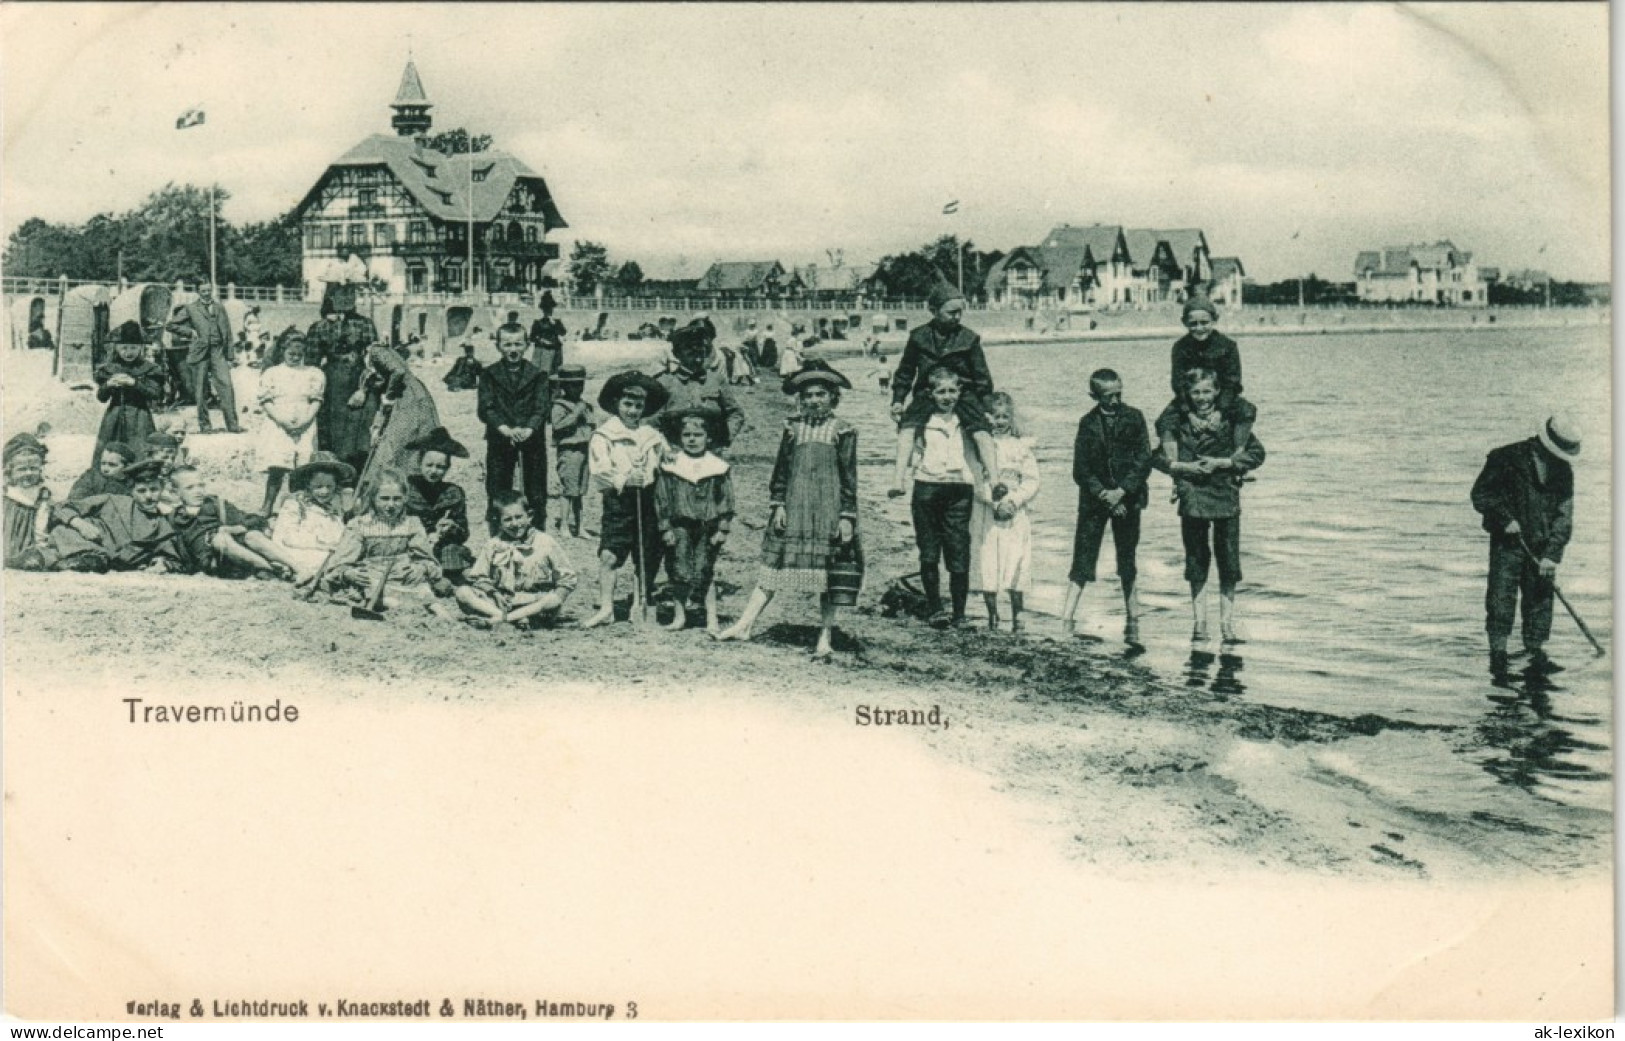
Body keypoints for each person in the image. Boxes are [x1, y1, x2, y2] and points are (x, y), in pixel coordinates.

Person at [715, 361, 859, 659]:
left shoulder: (844, 431)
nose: (814, 400)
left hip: (828, 509)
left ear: (833, 397)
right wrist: (778, 504)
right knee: (773, 567)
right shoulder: (792, 428)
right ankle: (745, 624)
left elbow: (849, 478)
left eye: (821, 394)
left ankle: (824, 636)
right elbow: (781, 471)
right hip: (793, 506)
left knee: (827, 575)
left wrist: (847, 516)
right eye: (807, 395)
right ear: (799, 399)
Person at [1153, 367, 1266, 645]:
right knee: (1196, 560)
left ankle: (1227, 624)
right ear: (1187, 395)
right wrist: (1181, 466)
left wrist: (1224, 463)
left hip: (1225, 492)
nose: (1201, 398)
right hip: (1192, 493)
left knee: (1228, 560)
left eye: (1206, 391)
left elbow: (1257, 454)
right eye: (1195, 392)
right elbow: (1156, 457)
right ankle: (1199, 622)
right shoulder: (1178, 423)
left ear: (1216, 392)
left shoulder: (1230, 421)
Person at [1470, 415, 1581, 680]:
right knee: (1501, 600)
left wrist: (1552, 555)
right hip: (1507, 545)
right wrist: (1504, 519)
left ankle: (1536, 659)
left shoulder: (1563, 471)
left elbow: (1564, 517)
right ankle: (1498, 661)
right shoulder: (1505, 458)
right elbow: (1481, 494)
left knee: (1540, 603)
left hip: (1542, 550)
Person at [1060, 369, 1154, 644]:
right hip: (1094, 501)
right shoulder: (1086, 423)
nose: (1115, 400)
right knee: (1083, 556)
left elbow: (1143, 459)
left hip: (1129, 499)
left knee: (1128, 556)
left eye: (1119, 394)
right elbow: (1081, 468)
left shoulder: (1135, 417)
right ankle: (1066, 617)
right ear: (1094, 396)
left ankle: (1133, 617)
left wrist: (1122, 492)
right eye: (1108, 396)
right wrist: (1104, 495)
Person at [299, 466, 455, 618]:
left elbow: (427, 559)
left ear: (405, 498)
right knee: (371, 589)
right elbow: (340, 562)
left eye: (397, 499)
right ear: (373, 498)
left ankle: (440, 614)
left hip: (404, 575)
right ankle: (395, 606)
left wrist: (420, 568)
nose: (391, 505)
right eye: (384, 498)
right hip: (372, 575)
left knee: (424, 590)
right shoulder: (360, 525)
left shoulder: (411, 524)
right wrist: (349, 573)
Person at [889, 284, 997, 496]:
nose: (957, 317)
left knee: (982, 431)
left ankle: (995, 481)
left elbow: (982, 376)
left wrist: (986, 408)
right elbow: (905, 371)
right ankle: (898, 480)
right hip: (927, 392)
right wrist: (898, 400)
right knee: (907, 427)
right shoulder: (918, 337)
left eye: (960, 312)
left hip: (963, 392)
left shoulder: (969, 338)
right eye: (951, 312)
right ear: (934, 310)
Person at [581, 372, 669, 628]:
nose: (633, 411)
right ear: (616, 404)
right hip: (619, 501)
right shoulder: (605, 434)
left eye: (638, 406)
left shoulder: (651, 434)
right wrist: (624, 478)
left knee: (647, 554)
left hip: (650, 499)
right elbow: (599, 470)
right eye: (627, 404)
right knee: (610, 554)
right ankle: (606, 606)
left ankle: (640, 602)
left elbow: (666, 458)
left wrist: (662, 463)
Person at [897, 365, 979, 628]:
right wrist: (898, 478)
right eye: (940, 391)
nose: (947, 397)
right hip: (927, 487)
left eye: (952, 391)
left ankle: (959, 613)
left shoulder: (966, 419)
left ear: (960, 391)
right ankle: (935, 609)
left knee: (959, 550)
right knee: (929, 550)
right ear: (930, 393)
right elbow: (905, 443)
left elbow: (988, 439)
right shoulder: (921, 419)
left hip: (959, 488)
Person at [655, 408, 735, 633]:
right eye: (687, 435)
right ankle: (679, 615)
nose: (692, 440)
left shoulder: (717, 466)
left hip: (707, 526)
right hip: (680, 525)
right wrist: (665, 527)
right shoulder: (672, 465)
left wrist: (723, 527)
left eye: (698, 435)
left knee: (705, 568)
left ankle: (711, 617)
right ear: (679, 438)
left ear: (708, 438)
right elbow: (662, 498)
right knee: (679, 569)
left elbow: (726, 499)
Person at [455, 490, 577, 630]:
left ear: (529, 516)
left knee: (553, 600)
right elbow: (479, 576)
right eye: (507, 519)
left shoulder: (545, 542)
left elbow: (567, 578)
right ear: (499, 523)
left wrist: (556, 595)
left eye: (519, 517)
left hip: (534, 603)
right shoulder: (493, 544)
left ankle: (502, 620)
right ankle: (504, 617)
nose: (514, 523)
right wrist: (493, 593)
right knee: (463, 592)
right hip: (501, 602)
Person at [970, 392, 1040, 634]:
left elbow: (1032, 480)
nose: (1000, 422)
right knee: (988, 560)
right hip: (988, 513)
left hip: (1015, 513)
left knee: (1017, 559)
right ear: (986, 417)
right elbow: (976, 479)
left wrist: (1014, 500)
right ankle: (992, 613)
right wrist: (993, 502)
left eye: (1004, 416)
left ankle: (1018, 611)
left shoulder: (1022, 447)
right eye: (994, 416)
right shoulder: (980, 445)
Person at [1156, 296, 1256, 462]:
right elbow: (1178, 384)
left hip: (1221, 396)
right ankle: (1174, 465)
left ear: (1214, 320)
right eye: (1193, 324)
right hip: (1190, 398)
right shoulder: (1180, 347)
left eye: (1204, 322)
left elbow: (1232, 382)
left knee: (1247, 410)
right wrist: (1189, 414)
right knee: (1165, 421)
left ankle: (1239, 458)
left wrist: (1220, 411)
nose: (1199, 328)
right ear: (1184, 323)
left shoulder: (1227, 346)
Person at [477, 323, 550, 535]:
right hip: (500, 438)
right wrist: (505, 429)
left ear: (527, 345)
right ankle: (498, 535)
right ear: (498, 346)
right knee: (498, 488)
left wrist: (529, 428)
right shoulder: (488, 375)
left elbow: (542, 407)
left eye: (518, 344)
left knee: (536, 490)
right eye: (507, 344)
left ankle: (536, 534)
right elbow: (486, 408)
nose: (513, 349)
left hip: (533, 439)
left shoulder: (538, 375)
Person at [47, 459, 182, 573]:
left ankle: (61, 561)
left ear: (161, 489)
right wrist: (80, 524)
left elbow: (172, 557)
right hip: (85, 545)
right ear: (131, 491)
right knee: (61, 530)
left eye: (154, 490)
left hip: (112, 562)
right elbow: (62, 507)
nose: (148, 496)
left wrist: (163, 563)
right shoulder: (112, 501)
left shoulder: (161, 524)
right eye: (141, 491)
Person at [305, 282, 381, 477]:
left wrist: (363, 389)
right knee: (332, 436)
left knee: (361, 437)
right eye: (342, 293)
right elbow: (311, 367)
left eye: (351, 293)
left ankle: (359, 482)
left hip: (360, 384)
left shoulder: (365, 324)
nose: (348, 297)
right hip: (331, 388)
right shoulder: (318, 327)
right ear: (331, 296)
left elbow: (376, 361)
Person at [168, 465, 297, 580]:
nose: (198, 491)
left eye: (200, 485)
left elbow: (255, 520)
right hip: (212, 563)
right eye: (190, 488)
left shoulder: (216, 505)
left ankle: (299, 568)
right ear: (175, 493)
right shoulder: (174, 518)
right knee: (220, 539)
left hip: (237, 558)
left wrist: (234, 528)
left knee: (252, 535)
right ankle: (273, 569)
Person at [356, 344, 441, 506]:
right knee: (404, 446)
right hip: (411, 397)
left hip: (408, 399)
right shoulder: (384, 354)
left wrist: (389, 397)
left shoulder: (375, 351)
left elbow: (398, 372)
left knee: (397, 446)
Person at [255, 332, 326, 515]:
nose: (294, 358)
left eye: (299, 354)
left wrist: (306, 420)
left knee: (301, 467)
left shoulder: (313, 373)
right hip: (278, 422)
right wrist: (282, 420)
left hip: (305, 422)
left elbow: (316, 400)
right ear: (283, 351)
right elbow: (266, 401)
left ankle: (297, 508)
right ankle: (267, 506)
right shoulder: (272, 373)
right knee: (277, 466)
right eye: (291, 354)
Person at [653, 324, 746, 454]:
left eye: (700, 346)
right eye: (689, 347)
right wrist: (665, 448)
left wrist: (724, 439)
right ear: (677, 354)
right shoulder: (664, 382)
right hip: (675, 454)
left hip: (710, 453)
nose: (696, 350)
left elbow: (736, 413)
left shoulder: (717, 379)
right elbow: (652, 422)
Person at [165, 283, 241, 434]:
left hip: (217, 351)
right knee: (200, 390)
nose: (206, 293)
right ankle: (205, 425)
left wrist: (230, 354)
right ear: (198, 291)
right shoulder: (191, 308)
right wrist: (190, 332)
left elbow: (228, 331)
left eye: (208, 290)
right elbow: (171, 325)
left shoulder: (220, 307)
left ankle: (232, 425)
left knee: (226, 385)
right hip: (200, 352)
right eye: (203, 291)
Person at [402, 427, 474, 586]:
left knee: (452, 553)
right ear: (420, 463)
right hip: (411, 546)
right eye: (429, 465)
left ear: (447, 468)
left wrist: (451, 528)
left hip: (442, 547)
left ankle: (468, 580)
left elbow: (463, 534)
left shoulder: (453, 493)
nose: (434, 471)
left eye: (440, 467)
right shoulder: (407, 487)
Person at [267, 453, 352, 581]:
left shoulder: (334, 507)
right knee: (329, 561)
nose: (325, 491)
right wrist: (325, 544)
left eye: (329, 486)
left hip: (327, 551)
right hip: (296, 550)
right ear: (308, 485)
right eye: (318, 487)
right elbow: (289, 537)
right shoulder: (295, 504)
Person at [93, 326, 165, 465]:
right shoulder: (109, 368)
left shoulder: (149, 368)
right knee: (110, 454)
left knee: (140, 452)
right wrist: (108, 385)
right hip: (113, 417)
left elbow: (155, 394)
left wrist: (135, 383)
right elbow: (101, 398)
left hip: (140, 418)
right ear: (116, 348)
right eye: (124, 348)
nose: (128, 352)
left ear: (140, 348)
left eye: (133, 348)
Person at [549, 365, 594, 538]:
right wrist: (576, 413)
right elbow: (557, 426)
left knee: (580, 491)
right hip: (569, 450)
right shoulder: (559, 406)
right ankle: (564, 525)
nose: (577, 388)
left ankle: (580, 525)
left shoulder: (585, 405)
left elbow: (592, 426)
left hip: (584, 449)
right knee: (568, 489)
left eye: (580, 384)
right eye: (573, 385)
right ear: (564, 387)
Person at [4, 437, 54, 570]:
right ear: (10, 470)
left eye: (33, 469)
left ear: (40, 469)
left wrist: (40, 546)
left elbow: (41, 525)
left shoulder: (41, 493)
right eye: (22, 469)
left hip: (28, 541)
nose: (28, 473)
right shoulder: (5, 491)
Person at [69, 441, 134, 501]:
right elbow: (75, 499)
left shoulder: (132, 485)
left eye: (112, 465)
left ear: (127, 467)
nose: (105, 469)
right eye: (103, 463)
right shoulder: (91, 478)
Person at [529, 291, 567, 375]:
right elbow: (531, 337)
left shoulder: (557, 322)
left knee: (555, 373)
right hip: (542, 350)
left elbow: (563, 333)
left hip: (556, 349)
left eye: (550, 309)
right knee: (543, 372)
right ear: (543, 310)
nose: (549, 311)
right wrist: (540, 340)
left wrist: (555, 324)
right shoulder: (538, 322)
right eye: (546, 309)